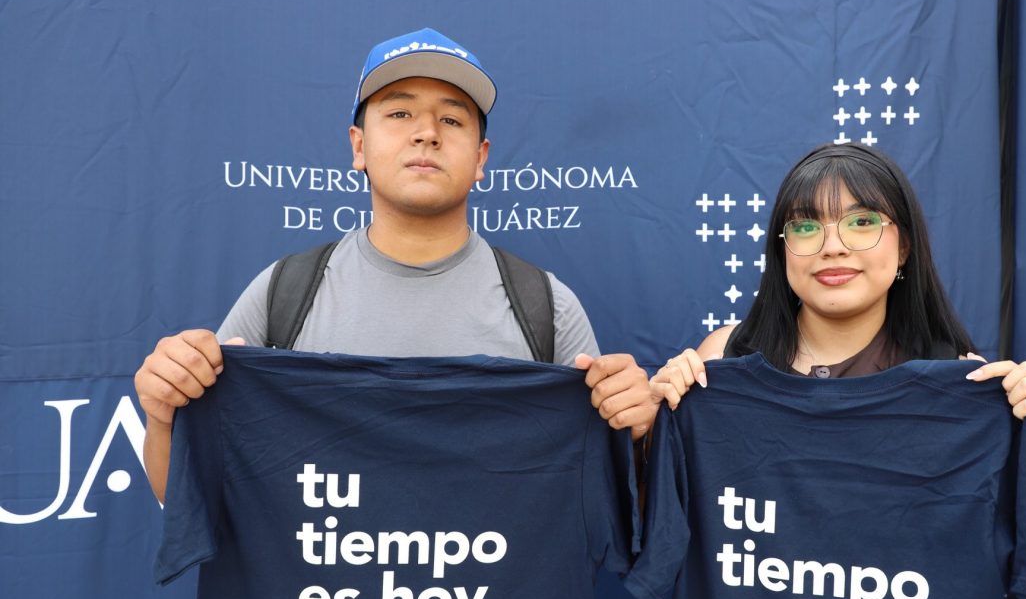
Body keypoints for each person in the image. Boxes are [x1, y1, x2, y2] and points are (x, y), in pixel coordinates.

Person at [135, 28, 656, 503]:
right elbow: (184, 494)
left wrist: (633, 435)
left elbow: (605, 497)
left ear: (481, 158)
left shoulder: (547, 306)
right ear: (359, 146)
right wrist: (163, 416)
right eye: (400, 114)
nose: (426, 133)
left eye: (451, 119)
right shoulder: (283, 294)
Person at [650, 142, 1026, 448]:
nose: (833, 247)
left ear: (904, 247)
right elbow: (674, 515)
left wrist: (1025, 445)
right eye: (805, 226)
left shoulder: (957, 381)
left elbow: (982, 525)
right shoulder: (721, 360)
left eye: (862, 222)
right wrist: (650, 436)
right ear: (782, 249)